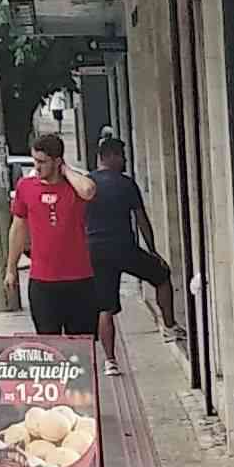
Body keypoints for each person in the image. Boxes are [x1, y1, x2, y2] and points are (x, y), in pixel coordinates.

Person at [84, 132, 177, 361]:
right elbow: (141, 219)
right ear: (110, 156)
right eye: (121, 156)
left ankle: (110, 361)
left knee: (105, 307)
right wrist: (153, 251)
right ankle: (169, 327)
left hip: (95, 251)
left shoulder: (86, 184)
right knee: (162, 275)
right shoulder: (125, 183)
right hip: (123, 249)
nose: (124, 160)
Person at [2, 127, 98, 337]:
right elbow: (18, 229)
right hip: (43, 280)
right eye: (34, 160)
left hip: (79, 279)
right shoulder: (26, 187)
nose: (36, 166)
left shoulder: (74, 187)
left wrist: (66, 171)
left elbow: (89, 190)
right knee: (48, 344)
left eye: (42, 162)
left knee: (81, 344)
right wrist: (11, 268)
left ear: (57, 161)